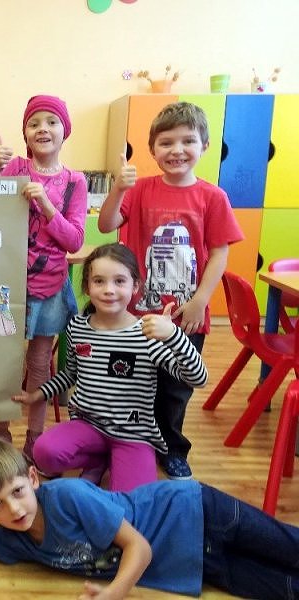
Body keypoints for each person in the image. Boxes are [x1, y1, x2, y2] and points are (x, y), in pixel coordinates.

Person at [0, 438, 299, 600]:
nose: (14, 510)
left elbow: (139, 547)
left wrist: (113, 593)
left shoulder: (67, 496)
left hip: (198, 512)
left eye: (17, 492)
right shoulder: (12, 536)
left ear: (33, 478)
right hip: (195, 564)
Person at [98, 101, 243, 480]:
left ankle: (172, 448)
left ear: (204, 146)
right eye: (166, 142)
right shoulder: (140, 190)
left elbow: (219, 253)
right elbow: (106, 224)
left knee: (176, 388)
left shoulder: (213, 197)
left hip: (185, 317)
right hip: (136, 314)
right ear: (152, 149)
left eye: (187, 141)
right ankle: (131, 441)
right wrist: (118, 189)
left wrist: (200, 301)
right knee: (133, 380)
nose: (177, 150)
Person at [11, 243, 207, 491]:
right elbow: (70, 375)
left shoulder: (147, 333)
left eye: (119, 281)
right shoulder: (77, 327)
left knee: (133, 497)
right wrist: (37, 395)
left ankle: (110, 460)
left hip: (133, 435)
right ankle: (97, 459)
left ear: (135, 286)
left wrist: (173, 336)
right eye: (99, 281)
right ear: (87, 287)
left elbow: (198, 378)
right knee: (43, 453)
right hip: (87, 426)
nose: (109, 290)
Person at [0, 95, 87, 463]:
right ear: (25, 133)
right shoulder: (16, 167)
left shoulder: (74, 181)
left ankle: (35, 436)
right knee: (3, 359)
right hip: (7, 283)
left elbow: (74, 240)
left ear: (65, 130)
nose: (43, 129)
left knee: (41, 362)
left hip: (50, 286)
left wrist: (45, 205)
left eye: (51, 122)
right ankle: (0, 431)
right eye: (34, 123)